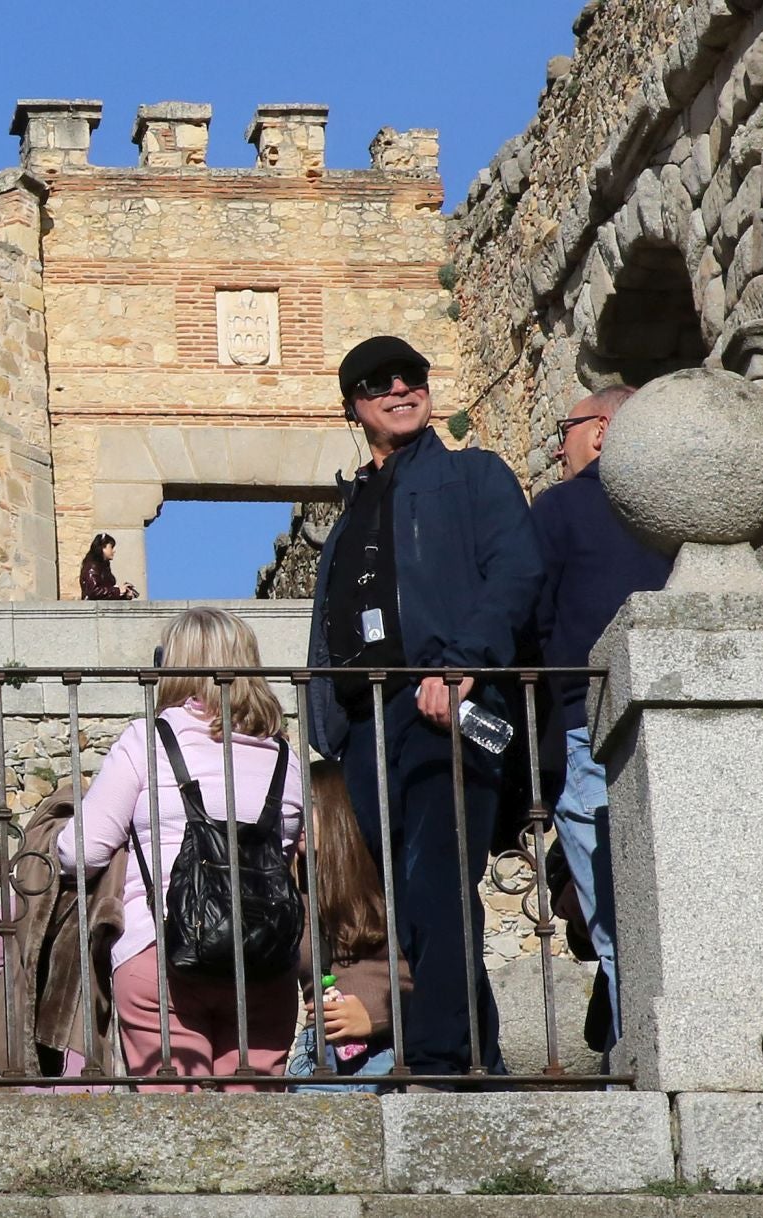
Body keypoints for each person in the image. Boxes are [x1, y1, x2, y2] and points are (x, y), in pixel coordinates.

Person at [307, 335, 543, 1076]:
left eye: (412, 376)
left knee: (439, 881)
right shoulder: (348, 515)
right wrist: (332, 730)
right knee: (412, 901)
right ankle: (478, 1058)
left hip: (442, 703)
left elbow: (516, 567)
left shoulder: (471, 476)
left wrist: (462, 664)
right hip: (367, 726)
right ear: (355, 405)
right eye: (380, 382)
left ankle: (445, 1059)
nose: (401, 388)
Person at [56, 607, 303, 1088]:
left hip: (162, 949)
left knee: (176, 1124)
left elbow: (81, 851)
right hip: (264, 959)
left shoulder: (148, 740)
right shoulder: (286, 759)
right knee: (257, 1129)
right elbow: (287, 854)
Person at [531, 387, 673, 1051]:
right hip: (677, 731)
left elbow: (530, 618)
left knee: (617, 921)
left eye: (567, 428)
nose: (558, 445)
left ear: (603, 429)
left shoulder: (559, 510)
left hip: (584, 729)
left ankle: (633, 1060)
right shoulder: (677, 516)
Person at [285, 761, 412, 1092]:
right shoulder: (294, 893)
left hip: (392, 1054)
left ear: (336, 810)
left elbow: (442, 982)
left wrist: (378, 1017)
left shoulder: (394, 885)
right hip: (319, 1060)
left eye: (308, 803)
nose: (297, 815)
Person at [78, 533, 138, 601]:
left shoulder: (103, 567)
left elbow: (105, 596)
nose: (114, 551)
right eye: (111, 547)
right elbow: (93, 592)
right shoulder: (92, 566)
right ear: (103, 547)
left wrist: (125, 595)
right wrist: (118, 591)